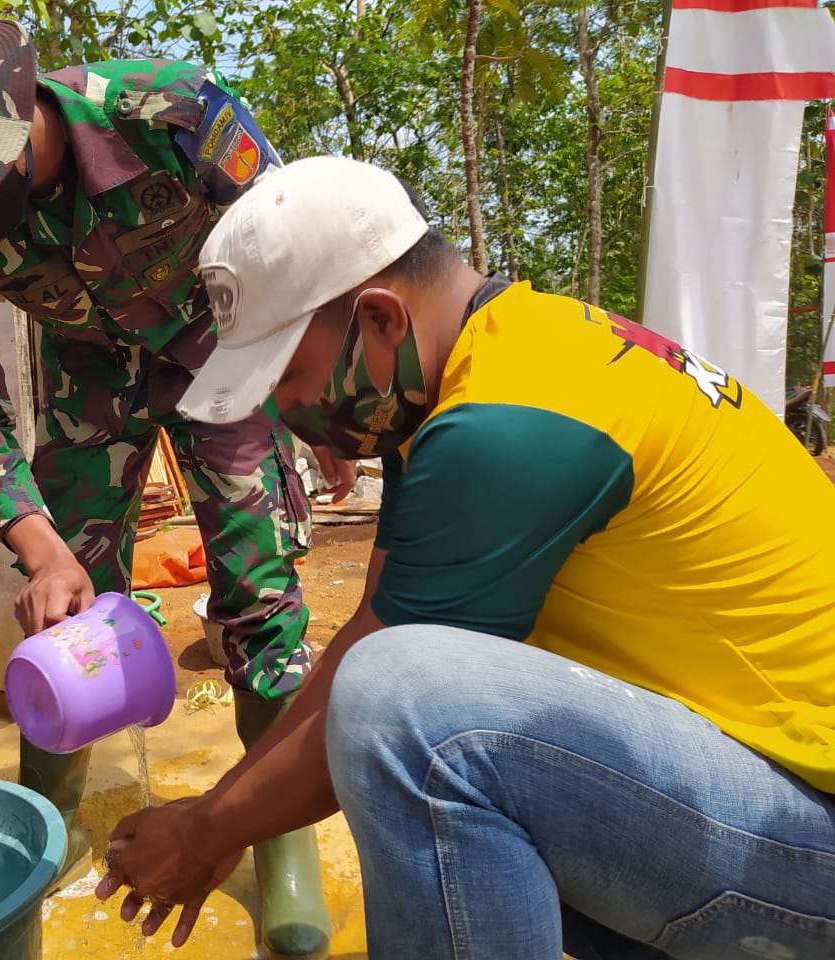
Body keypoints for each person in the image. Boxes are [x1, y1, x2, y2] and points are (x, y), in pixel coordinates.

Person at [95, 155, 835, 958]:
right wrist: (223, 810)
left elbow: (389, 695)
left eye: (289, 376)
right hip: (752, 785)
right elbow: (373, 633)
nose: (284, 412)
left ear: (380, 319)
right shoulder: (487, 372)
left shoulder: (506, 426)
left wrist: (207, 831)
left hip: (803, 828)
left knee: (411, 707)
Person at [0, 4, 340, 957]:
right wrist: (43, 547)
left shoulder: (172, 114)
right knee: (73, 606)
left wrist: (325, 410)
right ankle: (45, 826)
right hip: (89, 376)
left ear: (16, 109)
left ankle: (279, 845)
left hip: (226, 352)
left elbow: (301, 258)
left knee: (262, 599)